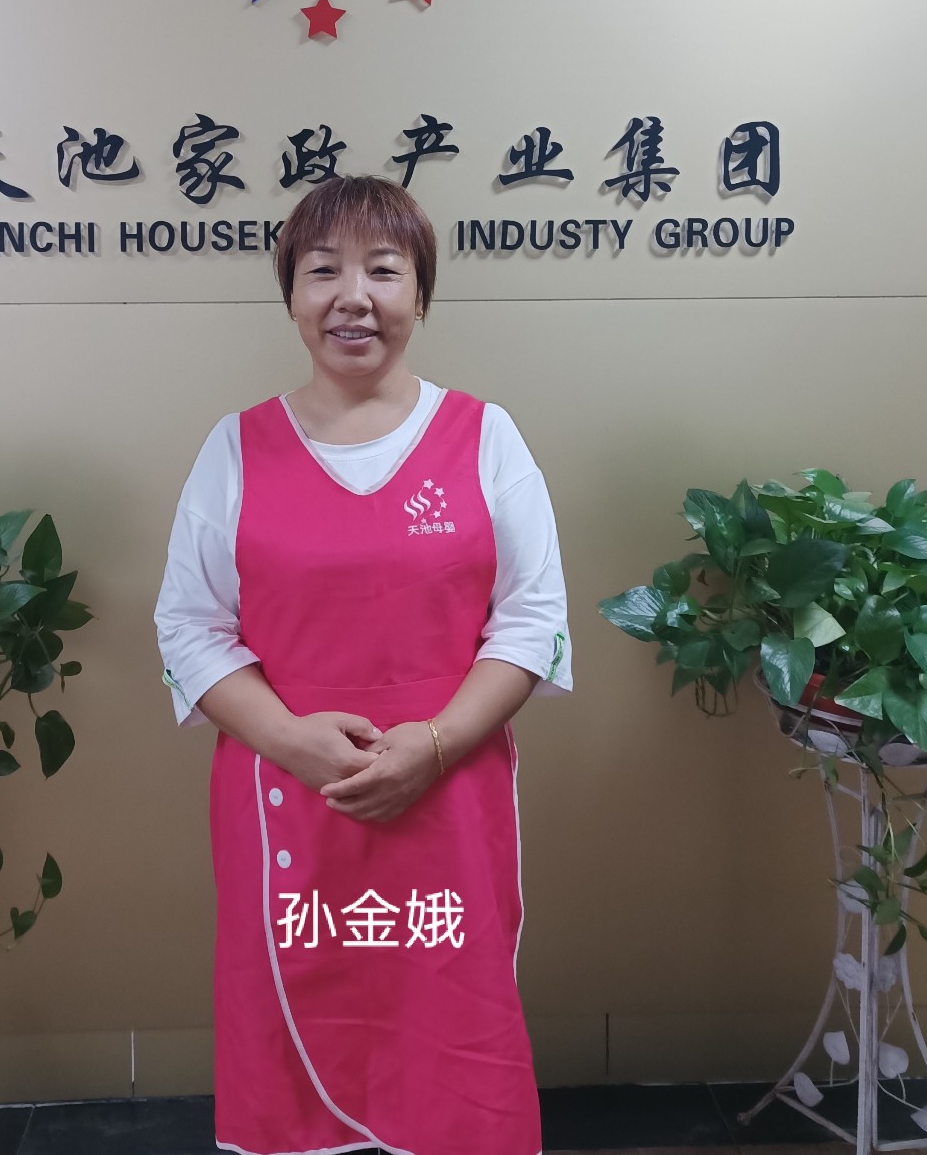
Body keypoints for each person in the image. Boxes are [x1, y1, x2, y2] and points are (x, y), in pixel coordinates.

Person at [154, 174, 572, 1155]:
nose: (354, 297)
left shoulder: (485, 437)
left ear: (420, 297)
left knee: (449, 1025)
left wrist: (435, 744)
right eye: (323, 271)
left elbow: (531, 621)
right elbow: (190, 628)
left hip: (447, 794)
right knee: (293, 1031)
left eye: (384, 271)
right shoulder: (236, 449)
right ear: (292, 299)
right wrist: (289, 740)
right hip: (288, 800)